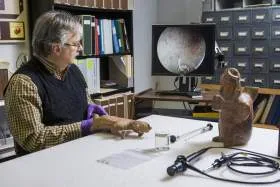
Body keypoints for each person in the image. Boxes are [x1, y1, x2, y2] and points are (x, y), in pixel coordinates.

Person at [4, 11, 151, 155]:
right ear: (56, 48)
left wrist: (100, 119)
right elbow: (34, 140)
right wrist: (90, 125)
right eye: (75, 44)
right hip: (44, 166)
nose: (80, 48)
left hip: (78, 153)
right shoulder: (23, 83)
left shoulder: (73, 70)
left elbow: (86, 108)